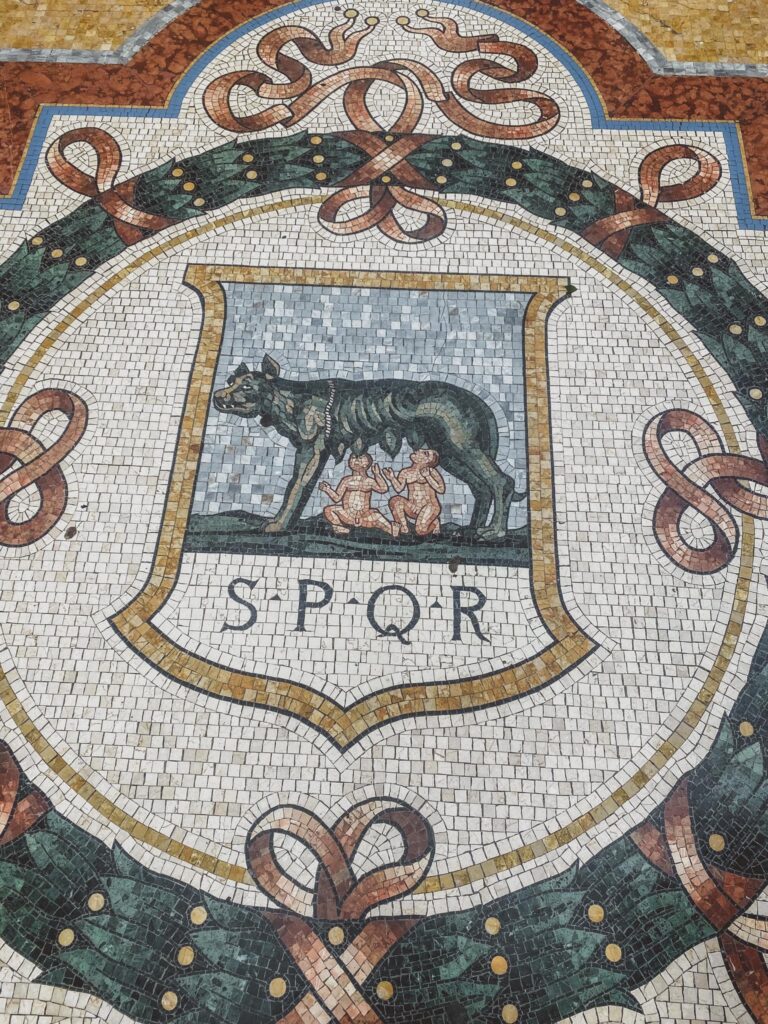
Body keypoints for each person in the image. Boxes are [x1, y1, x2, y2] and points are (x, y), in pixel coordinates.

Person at [319, 453, 400, 537]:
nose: (356, 460)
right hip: (348, 515)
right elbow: (337, 498)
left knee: (377, 515)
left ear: (367, 463)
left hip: (364, 516)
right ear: (349, 462)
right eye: (353, 457)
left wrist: (377, 474)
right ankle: (341, 527)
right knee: (329, 510)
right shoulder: (346, 480)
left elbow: (383, 489)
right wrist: (327, 489)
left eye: (361, 457)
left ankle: (391, 530)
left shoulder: (369, 481)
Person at [384, 449, 445, 537]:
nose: (419, 450)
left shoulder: (431, 471)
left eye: (425, 453)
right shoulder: (405, 472)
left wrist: (428, 477)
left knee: (420, 531)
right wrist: (392, 478)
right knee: (395, 501)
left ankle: (435, 523)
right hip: (413, 507)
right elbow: (399, 489)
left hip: (430, 507)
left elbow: (441, 489)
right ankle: (404, 528)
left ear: (427, 461)